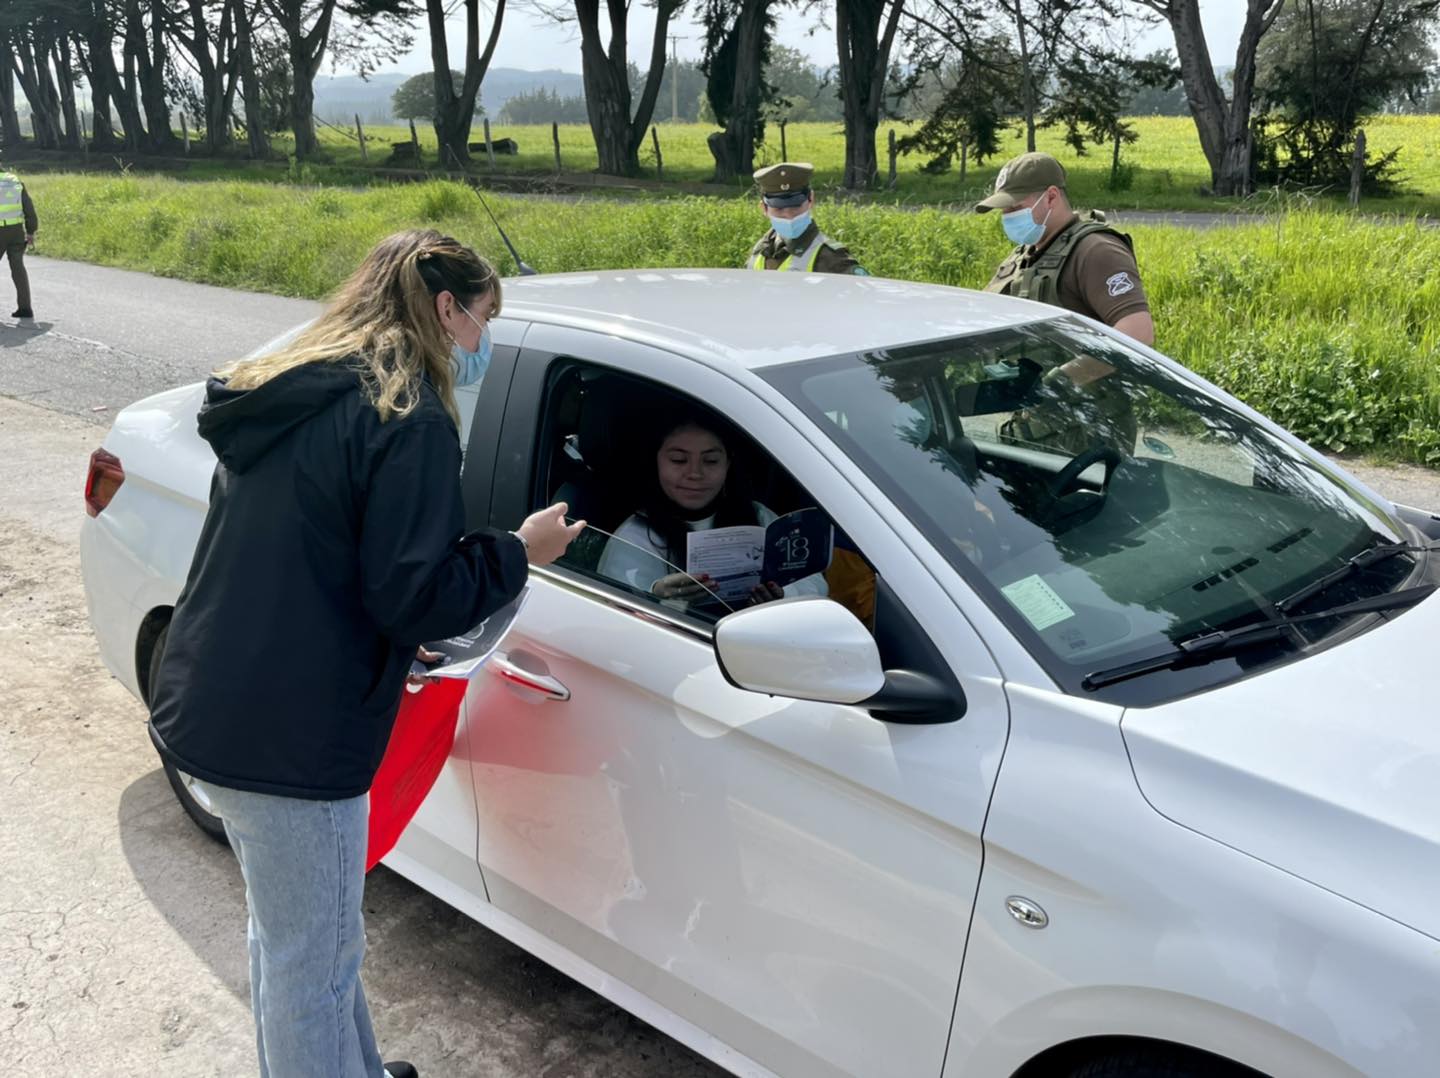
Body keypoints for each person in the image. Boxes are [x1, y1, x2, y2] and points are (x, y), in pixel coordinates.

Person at [147, 229, 583, 1078]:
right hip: (296, 740)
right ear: (447, 308)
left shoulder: (291, 389)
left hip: (216, 701)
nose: (482, 341)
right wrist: (517, 552)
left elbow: (322, 556)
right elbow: (414, 598)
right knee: (311, 966)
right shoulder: (405, 418)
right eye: (483, 318)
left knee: (298, 944)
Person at [598, 411, 828, 606]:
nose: (695, 473)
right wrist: (658, 596)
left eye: (710, 461)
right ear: (656, 462)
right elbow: (618, 610)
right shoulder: (635, 537)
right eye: (678, 460)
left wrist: (781, 595)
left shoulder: (759, 517)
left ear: (728, 464)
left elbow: (815, 588)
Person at [976, 151, 1154, 348]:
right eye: (1003, 210)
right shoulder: (1021, 257)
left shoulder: (1096, 251)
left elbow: (1139, 331)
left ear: (1051, 197)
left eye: (1015, 207)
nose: (1007, 216)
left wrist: (1073, 368)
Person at [746, 162, 869, 275]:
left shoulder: (832, 258)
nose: (789, 215)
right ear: (764, 208)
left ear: (811, 200)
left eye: (796, 206)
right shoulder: (760, 250)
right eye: (779, 209)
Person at [0, 162, 37, 319]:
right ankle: (25, 308)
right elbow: (28, 208)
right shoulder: (14, 180)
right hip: (16, 231)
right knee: (18, 268)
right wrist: (30, 231)